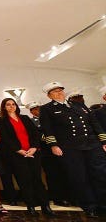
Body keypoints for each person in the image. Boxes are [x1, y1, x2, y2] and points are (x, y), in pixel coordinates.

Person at [39, 81, 106, 218]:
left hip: (92, 145)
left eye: (61, 90)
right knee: (80, 177)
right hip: (71, 148)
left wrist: (103, 141)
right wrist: (54, 145)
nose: (60, 93)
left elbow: (94, 123)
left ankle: (103, 203)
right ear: (49, 95)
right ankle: (90, 206)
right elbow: (47, 128)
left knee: (100, 174)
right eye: (55, 91)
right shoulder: (47, 109)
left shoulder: (78, 104)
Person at [0, 98, 54, 216]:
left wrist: (33, 148)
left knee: (37, 179)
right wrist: (20, 151)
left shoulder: (25, 118)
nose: (11, 106)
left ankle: (45, 206)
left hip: (33, 153)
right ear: (4, 107)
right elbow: (6, 139)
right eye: (8, 105)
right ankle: (31, 206)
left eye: (13, 104)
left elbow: (34, 134)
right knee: (24, 180)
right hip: (17, 155)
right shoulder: (2, 121)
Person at [25, 101, 73, 207]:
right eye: (35, 109)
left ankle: (70, 195)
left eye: (39, 108)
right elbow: (37, 135)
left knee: (65, 172)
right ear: (32, 111)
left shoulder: (51, 118)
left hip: (61, 148)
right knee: (53, 175)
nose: (38, 110)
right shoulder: (32, 122)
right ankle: (57, 197)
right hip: (46, 151)